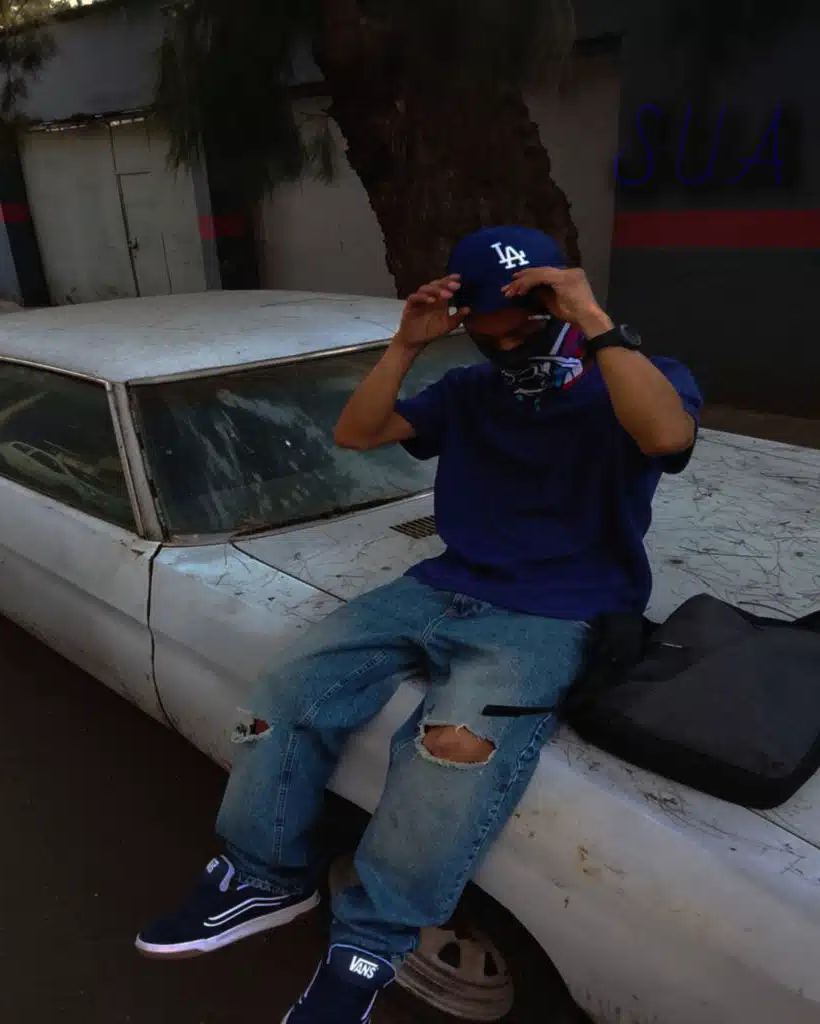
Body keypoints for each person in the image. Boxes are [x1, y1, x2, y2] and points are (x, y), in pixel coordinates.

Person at [135, 226, 702, 1022]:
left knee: (452, 750)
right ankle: (264, 876)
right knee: (289, 687)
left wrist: (594, 320)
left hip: (556, 607)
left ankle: (369, 945)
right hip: (441, 584)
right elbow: (358, 433)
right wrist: (405, 346)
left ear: (559, 302)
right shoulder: (471, 390)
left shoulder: (637, 374)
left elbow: (667, 436)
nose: (511, 342)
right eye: (492, 329)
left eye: (528, 323)